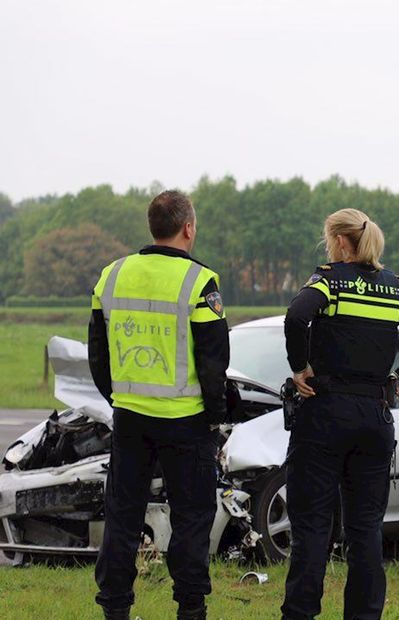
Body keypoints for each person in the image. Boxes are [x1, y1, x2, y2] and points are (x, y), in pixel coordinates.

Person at [281, 208, 399, 620]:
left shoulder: (329, 281)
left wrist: (300, 366)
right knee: (365, 533)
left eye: (329, 240)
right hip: (374, 418)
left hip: (324, 416)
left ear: (341, 242)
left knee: (312, 531)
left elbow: (296, 317)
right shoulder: (397, 289)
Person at [88, 190, 232, 620]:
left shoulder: (110, 276)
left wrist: (120, 398)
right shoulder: (199, 281)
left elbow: (98, 356)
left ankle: (115, 609)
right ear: (188, 228)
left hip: (130, 420)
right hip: (186, 424)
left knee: (122, 518)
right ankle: (190, 608)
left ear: (153, 228)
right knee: (191, 519)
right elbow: (213, 364)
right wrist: (215, 417)